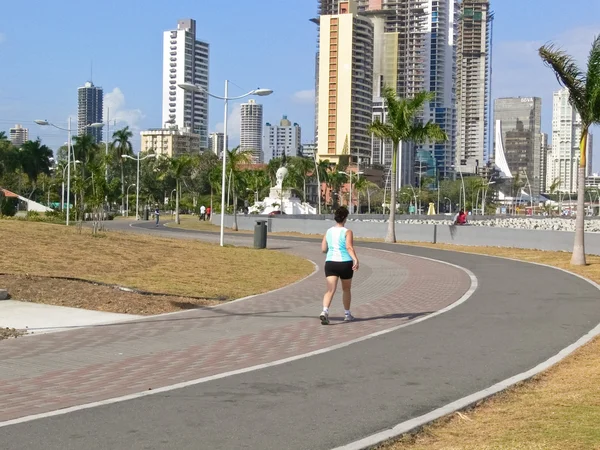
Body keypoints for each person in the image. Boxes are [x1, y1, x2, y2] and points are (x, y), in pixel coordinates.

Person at [319, 206, 359, 325]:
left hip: (331, 263)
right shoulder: (347, 231)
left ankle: (325, 311)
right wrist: (356, 259)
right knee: (346, 289)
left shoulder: (329, 231)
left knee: (330, 289)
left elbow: (323, 249)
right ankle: (347, 314)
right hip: (345, 263)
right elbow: (349, 247)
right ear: (345, 218)